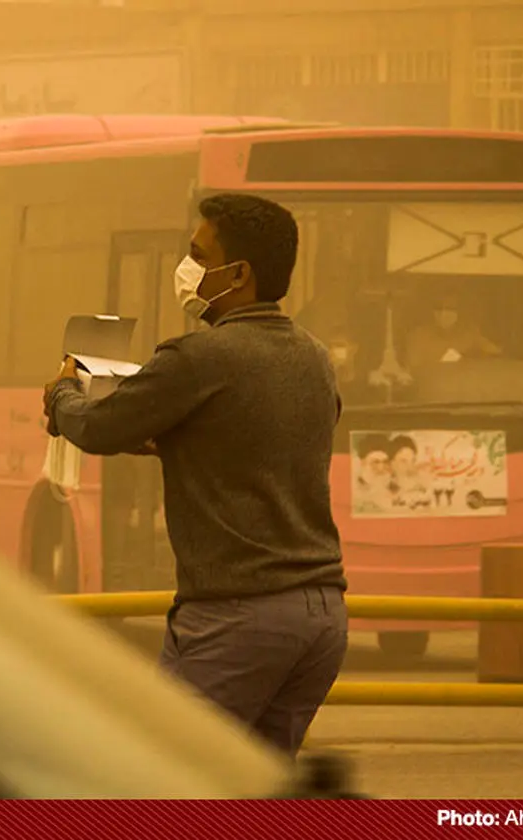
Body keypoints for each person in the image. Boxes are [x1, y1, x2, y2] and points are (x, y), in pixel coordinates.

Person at [43, 193, 347, 758]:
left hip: (238, 614)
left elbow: (99, 426)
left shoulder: (199, 357)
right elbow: (254, 444)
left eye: (197, 255)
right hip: (321, 617)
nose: (187, 270)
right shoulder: (314, 357)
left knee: (167, 774)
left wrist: (62, 391)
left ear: (239, 274)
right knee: (251, 788)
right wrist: (174, 446)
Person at [404, 292, 501, 368]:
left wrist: (469, 357)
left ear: (458, 311)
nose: (443, 313)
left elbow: (495, 353)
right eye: (438, 308)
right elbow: (413, 371)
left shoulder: (469, 334)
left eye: (450, 308)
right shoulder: (418, 336)